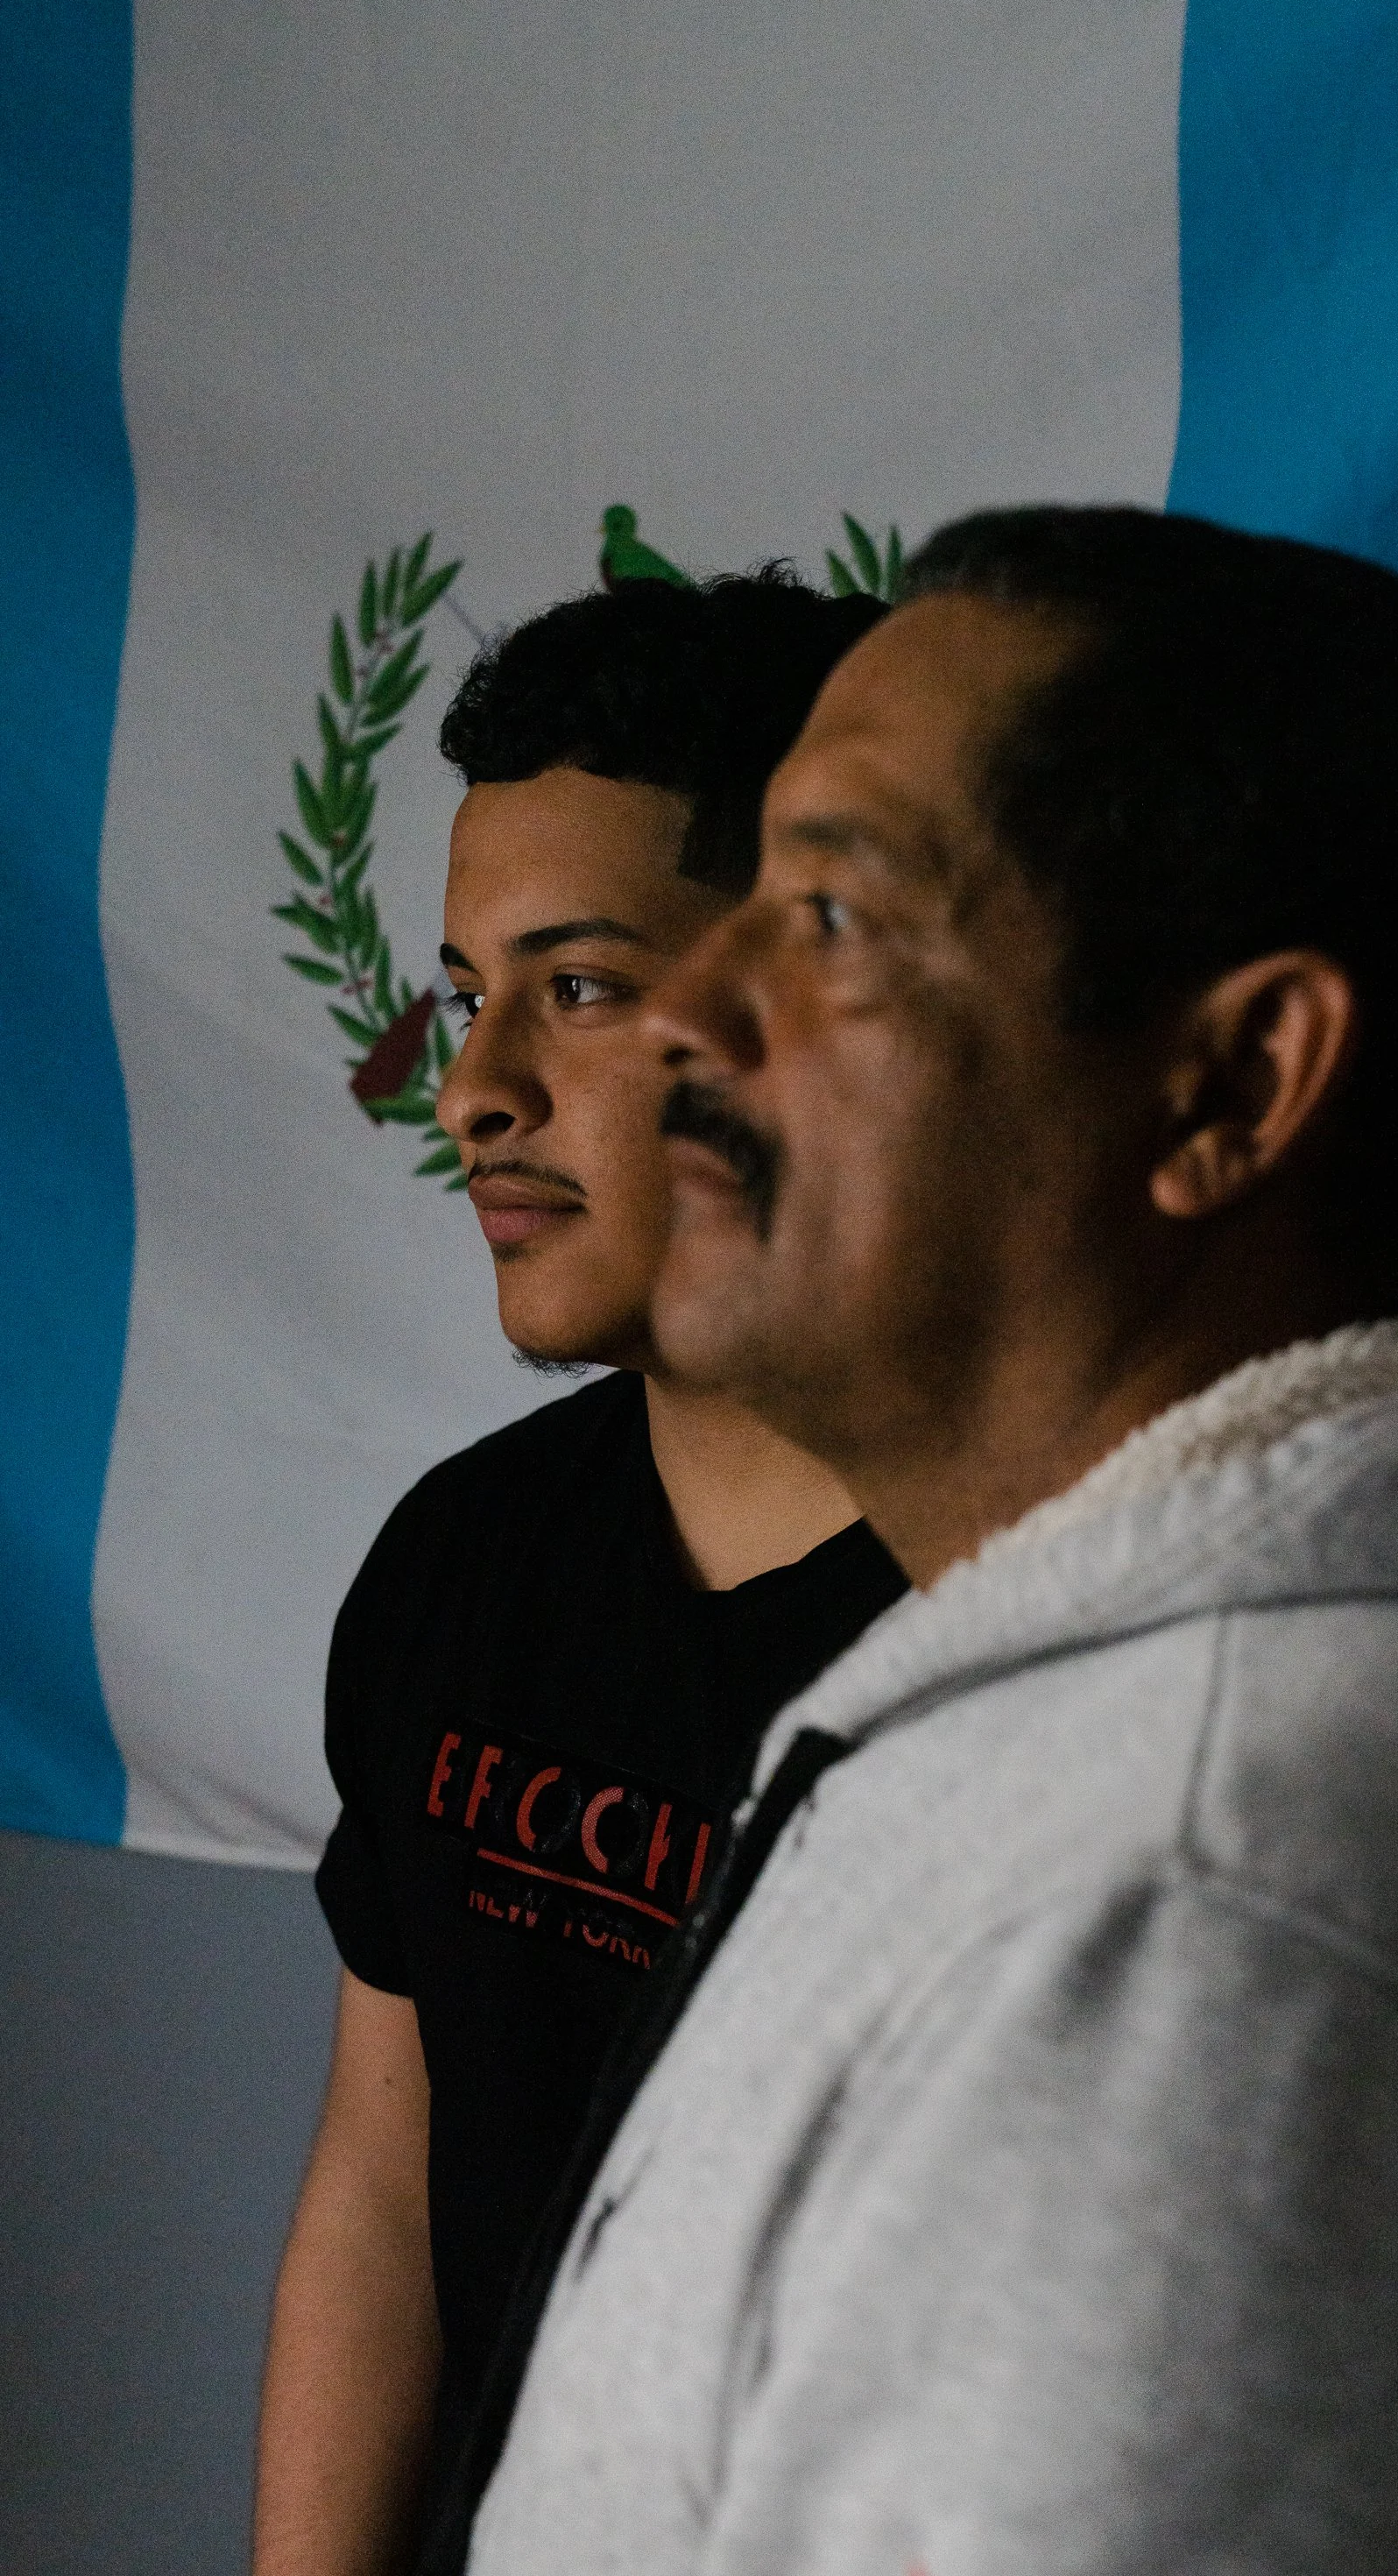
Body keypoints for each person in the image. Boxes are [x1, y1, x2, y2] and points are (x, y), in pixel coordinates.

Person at [467, 507, 1398, 2574]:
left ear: (1232, 1084)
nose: (686, 1011)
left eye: (829, 913)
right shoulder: (1199, 1775)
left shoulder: (1208, 1911)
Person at [251, 570, 907, 2576]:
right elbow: (386, 2178)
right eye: (466, 991)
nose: (471, 1092)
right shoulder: (468, 1556)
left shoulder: (1032, 1614)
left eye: (584, 984)